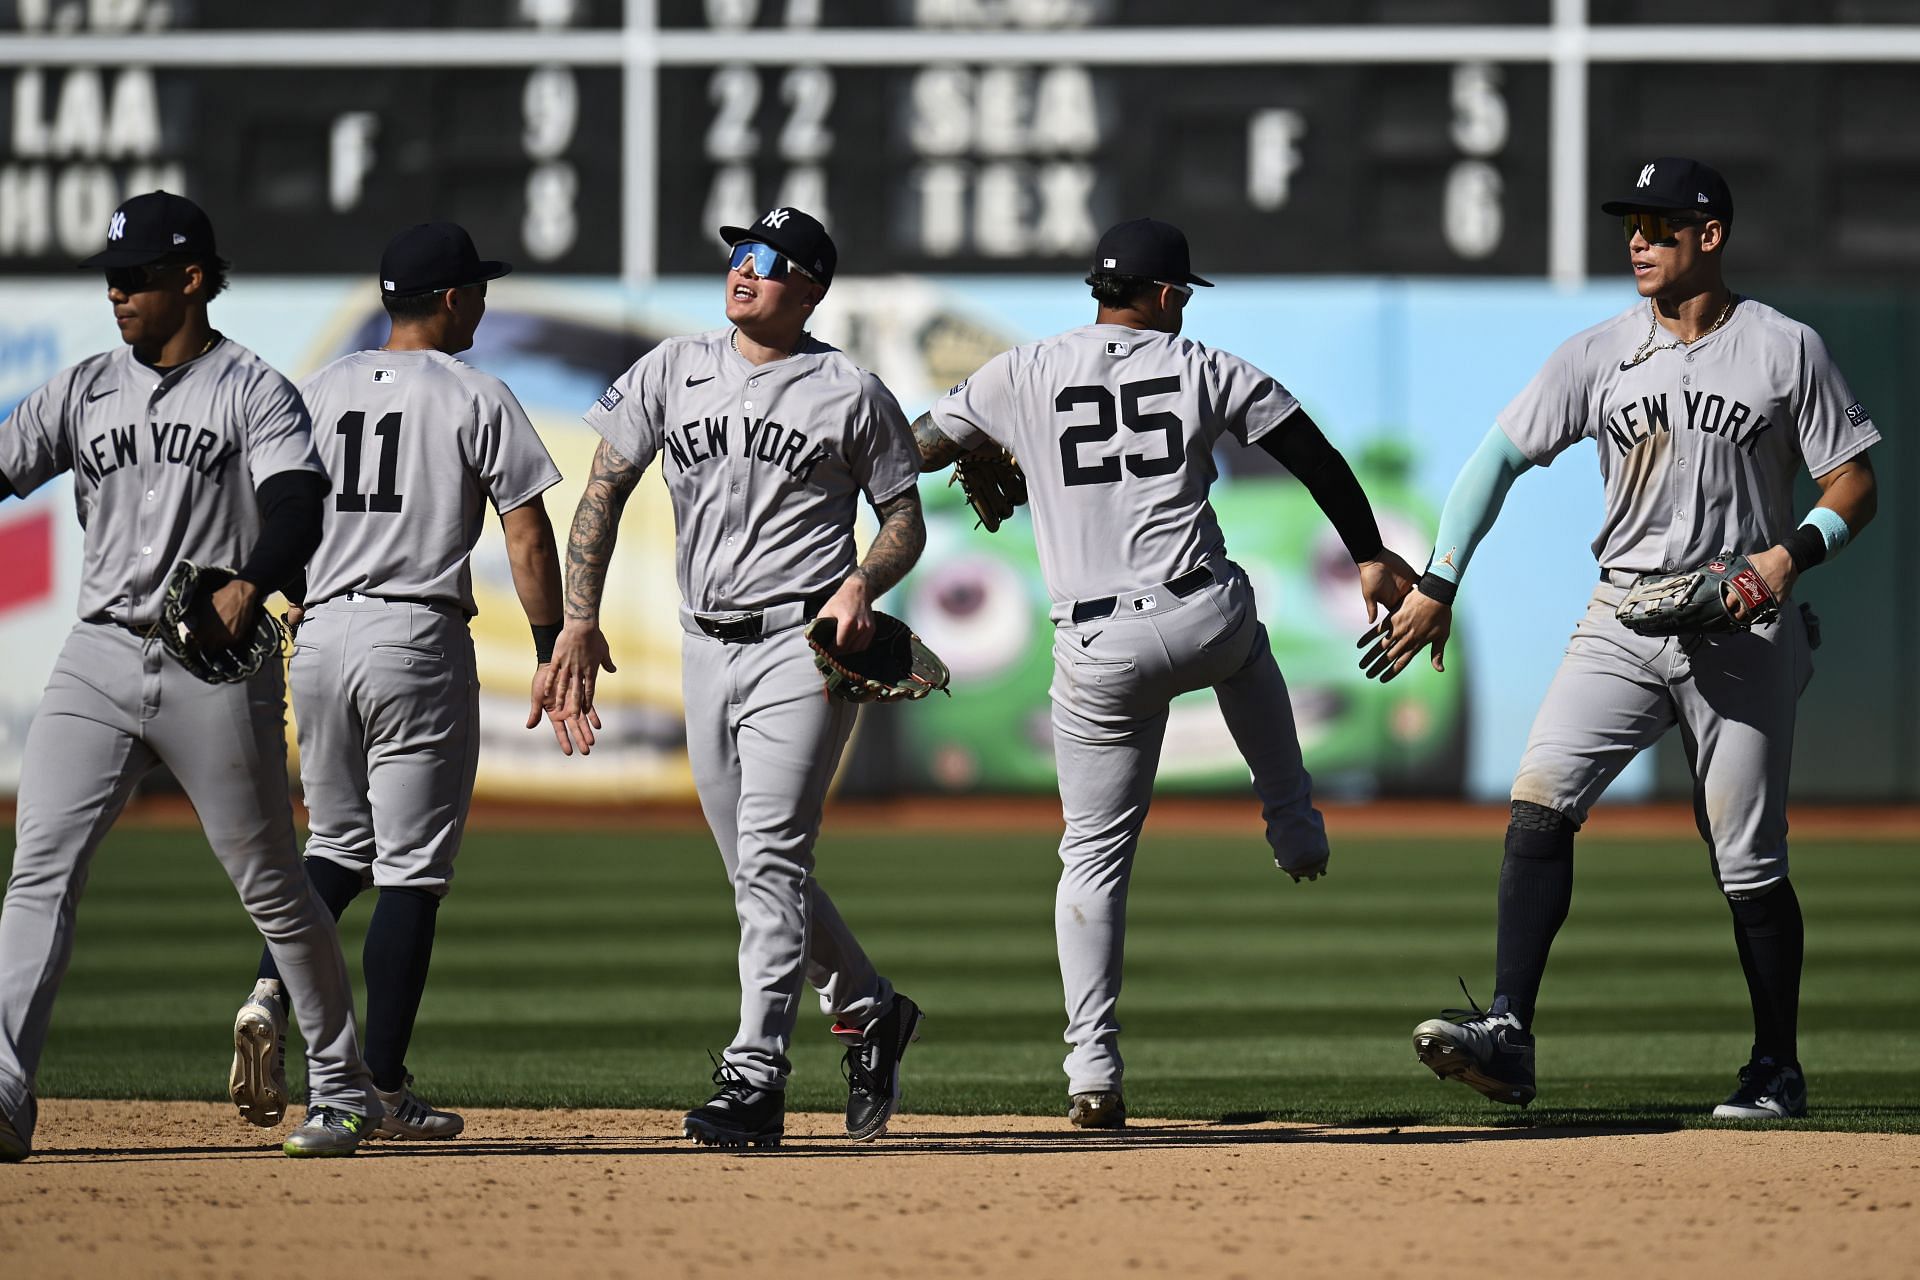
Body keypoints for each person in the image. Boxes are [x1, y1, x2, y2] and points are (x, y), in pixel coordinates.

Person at [1363, 157, 1879, 1119]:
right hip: (1626, 614)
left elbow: (1854, 484)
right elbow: (1497, 460)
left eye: (1659, 224)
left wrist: (1788, 557)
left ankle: (1777, 1067)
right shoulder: (1596, 352)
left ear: (1710, 236)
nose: (1638, 240)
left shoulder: (1784, 348)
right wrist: (1439, 580)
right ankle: (1509, 1034)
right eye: (1630, 224)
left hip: (1746, 624)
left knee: (1747, 856)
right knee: (1539, 799)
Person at [912, 217, 1418, 1127]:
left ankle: (1092, 1072)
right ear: (1170, 293)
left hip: (1096, 649)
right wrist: (1371, 554)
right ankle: (1293, 818)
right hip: (1199, 612)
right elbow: (1314, 457)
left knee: (1093, 859)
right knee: (1248, 646)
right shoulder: (1206, 368)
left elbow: (914, 447)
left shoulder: (1020, 371)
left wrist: (978, 444)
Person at [0, 191, 377, 1160]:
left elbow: (298, 503)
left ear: (194, 279)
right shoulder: (82, 389)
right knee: (40, 869)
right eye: (112, 277)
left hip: (211, 664)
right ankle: (4, 1090)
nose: (118, 292)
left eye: (137, 276)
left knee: (271, 882)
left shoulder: (253, 390)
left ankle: (340, 1085)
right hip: (96, 654)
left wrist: (254, 582)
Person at [548, 207, 927, 1149]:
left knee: (767, 858)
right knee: (760, 869)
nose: (745, 270)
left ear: (811, 288)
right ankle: (871, 1007)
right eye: (740, 254)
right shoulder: (672, 369)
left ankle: (755, 1076)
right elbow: (602, 488)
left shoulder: (849, 390)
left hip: (803, 648)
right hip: (702, 645)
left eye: (768, 260)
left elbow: (904, 519)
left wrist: (863, 580)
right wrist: (578, 619)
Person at [230, 222, 575, 1141]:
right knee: (412, 874)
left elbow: (278, 511)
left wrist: (289, 595)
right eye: (479, 289)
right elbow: (528, 533)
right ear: (455, 299)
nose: (484, 302)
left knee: (337, 849)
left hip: (321, 633)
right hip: (414, 633)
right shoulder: (474, 391)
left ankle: (270, 985)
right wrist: (552, 642)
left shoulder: (316, 388)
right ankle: (376, 1087)